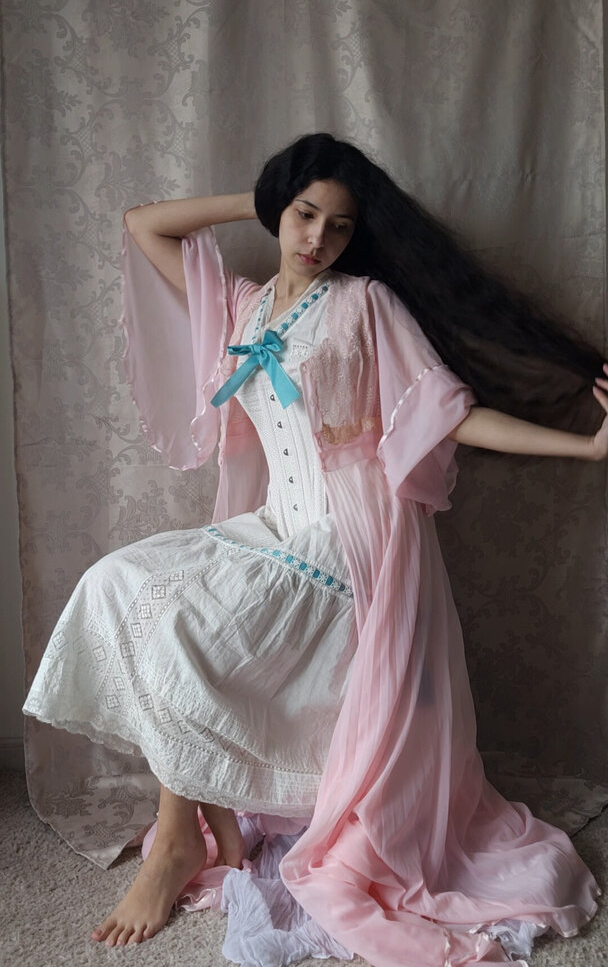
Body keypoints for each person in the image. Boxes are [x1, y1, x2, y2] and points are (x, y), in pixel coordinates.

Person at [23, 132, 606, 965]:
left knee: (189, 630)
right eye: (303, 214)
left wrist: (586, 447)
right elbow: (144, 224)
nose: (317, 237)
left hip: (351, 537)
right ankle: (191, 823)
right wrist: (262, 199)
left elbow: (448, 413)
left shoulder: (366, 302)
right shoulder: (243, 305)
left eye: (339, 225)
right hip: (275, 522)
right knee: (117, 581)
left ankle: (178, 840)